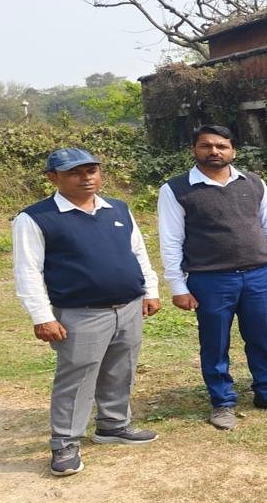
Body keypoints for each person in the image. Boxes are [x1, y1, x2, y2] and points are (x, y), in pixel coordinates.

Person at [12, 148, 160, 477]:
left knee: (121, 369)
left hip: (129, 307)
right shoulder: (36, 218)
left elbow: (138, 252)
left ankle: (113, 425)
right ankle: (64, 442)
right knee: (77, 377)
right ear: (53, 178)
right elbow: (28, 271)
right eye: (75, 173)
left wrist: (150, 291)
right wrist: (42, 316)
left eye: (92, 170)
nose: (86, 178)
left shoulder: (117, 209)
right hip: (80, 313)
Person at [157, 125, 267, 431]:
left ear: (233, 150)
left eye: (221, 146)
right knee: (214, 342)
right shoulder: (177, 189)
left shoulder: (254, 183)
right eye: (206, 146)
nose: (214, 151)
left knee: (261, 338)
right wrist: (178, 286)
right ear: (194, 150)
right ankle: (222, 402)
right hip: (210, 279)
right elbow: (170, 240)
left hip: (258, 275)